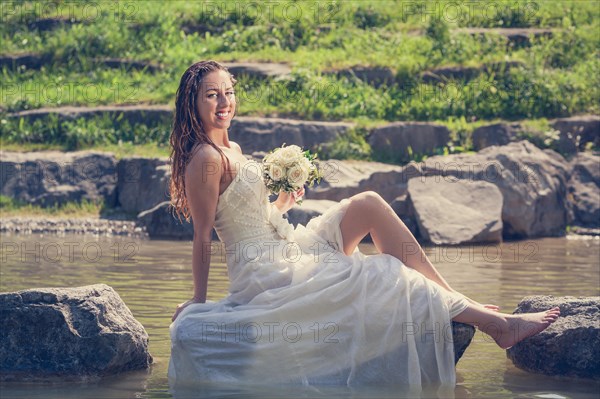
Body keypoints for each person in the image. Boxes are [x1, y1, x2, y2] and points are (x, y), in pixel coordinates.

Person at [167, 60, 560, 388]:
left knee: (369, 203)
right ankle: (496, 323)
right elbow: (203, 236)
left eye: (228, 92)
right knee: (384, 271)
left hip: (285, 243)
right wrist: (199, 302)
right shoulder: (204, 159)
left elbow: (250, 214)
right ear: (193, 102)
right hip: (266, 272)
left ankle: (459, 300)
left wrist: (283, 202)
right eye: (212, 94)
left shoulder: (232, 148)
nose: (224, 102)